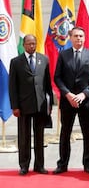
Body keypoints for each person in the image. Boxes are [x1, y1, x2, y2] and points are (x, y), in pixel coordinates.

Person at [53, 26, 89, 175]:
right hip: (67, 101)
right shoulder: (63, 55)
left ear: (84, 38)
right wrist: (68, 94)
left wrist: (83, 94)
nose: (78, 39)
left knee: (87, 133)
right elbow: (57, 77)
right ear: (71, 38)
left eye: (81, 36)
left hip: (85, 102)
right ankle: (62, 164)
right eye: (75, 36)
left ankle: (88, 164)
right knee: (65, 133)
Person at [9, 34, 53, 175]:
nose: (31, 46)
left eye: (34, 43)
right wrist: (14, 106)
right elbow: (12, 87)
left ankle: (39, 165)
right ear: (24, 45)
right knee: (24, 137)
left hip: (40, 105)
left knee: (39, 136)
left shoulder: (44, 59)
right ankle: (24, 165)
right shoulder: (16, 62)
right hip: (23, 106)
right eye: (29, 44)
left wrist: (50, 103)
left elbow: (48, 85)